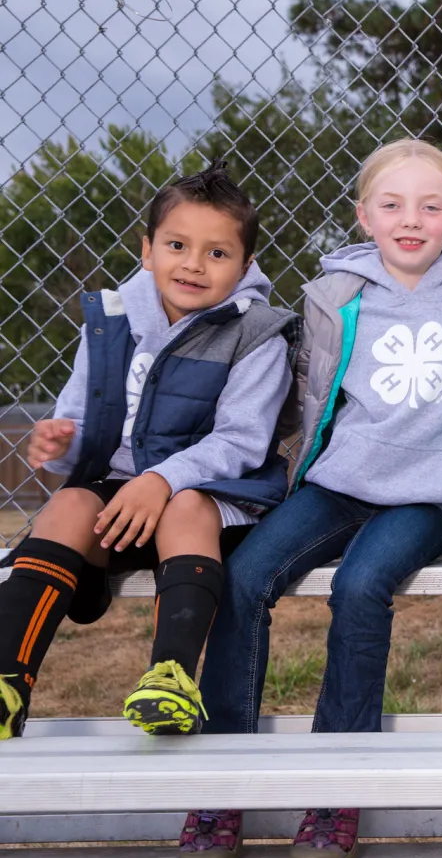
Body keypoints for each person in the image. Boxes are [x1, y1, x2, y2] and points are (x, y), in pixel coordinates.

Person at [179, 139, 442, 858]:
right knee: (244, 579)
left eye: (431, 206)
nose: (412, 220)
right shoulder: (335, 295)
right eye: (392, 205)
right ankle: (220, 780)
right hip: (339, 481)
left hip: (429, 493)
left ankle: (338, 786)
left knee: (361, 585)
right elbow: (303, 389)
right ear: (365, 216)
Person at [0, 160, 295, 743]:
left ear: (246, 266)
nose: (193, 264)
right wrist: (62, 444)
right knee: (68, 504)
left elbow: (241, 441)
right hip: (120, 503)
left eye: (217, 253)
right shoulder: (110, 321)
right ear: (147, 250)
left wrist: (161, 481)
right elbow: (80, 420)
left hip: (210, 501)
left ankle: (171, 679)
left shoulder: (257, 333)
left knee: (184, 506)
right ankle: (7, 681)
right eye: (177, 245)